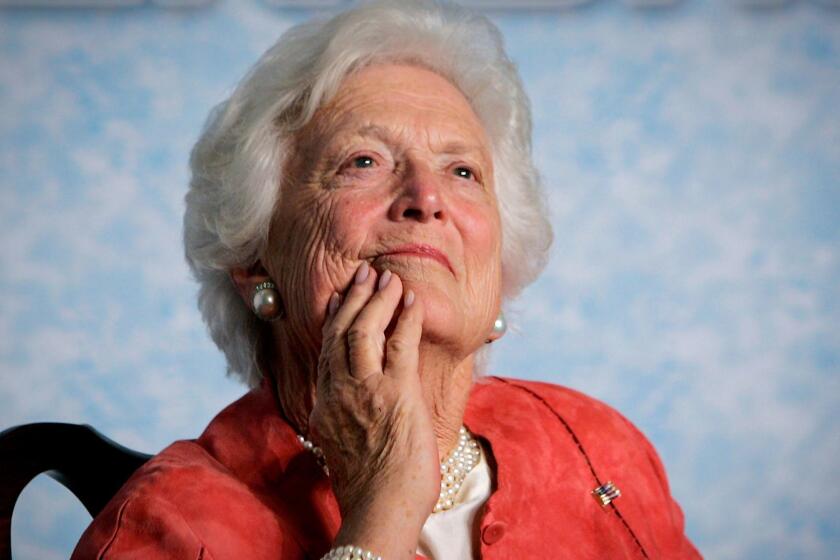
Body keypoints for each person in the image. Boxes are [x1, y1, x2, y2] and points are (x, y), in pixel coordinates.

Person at [71, 1, 702, 558]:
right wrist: (382, 512)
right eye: (363, 161)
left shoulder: (594, 441)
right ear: (254, 259)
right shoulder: (170, 527)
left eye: (462, 172)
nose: (426, 198)